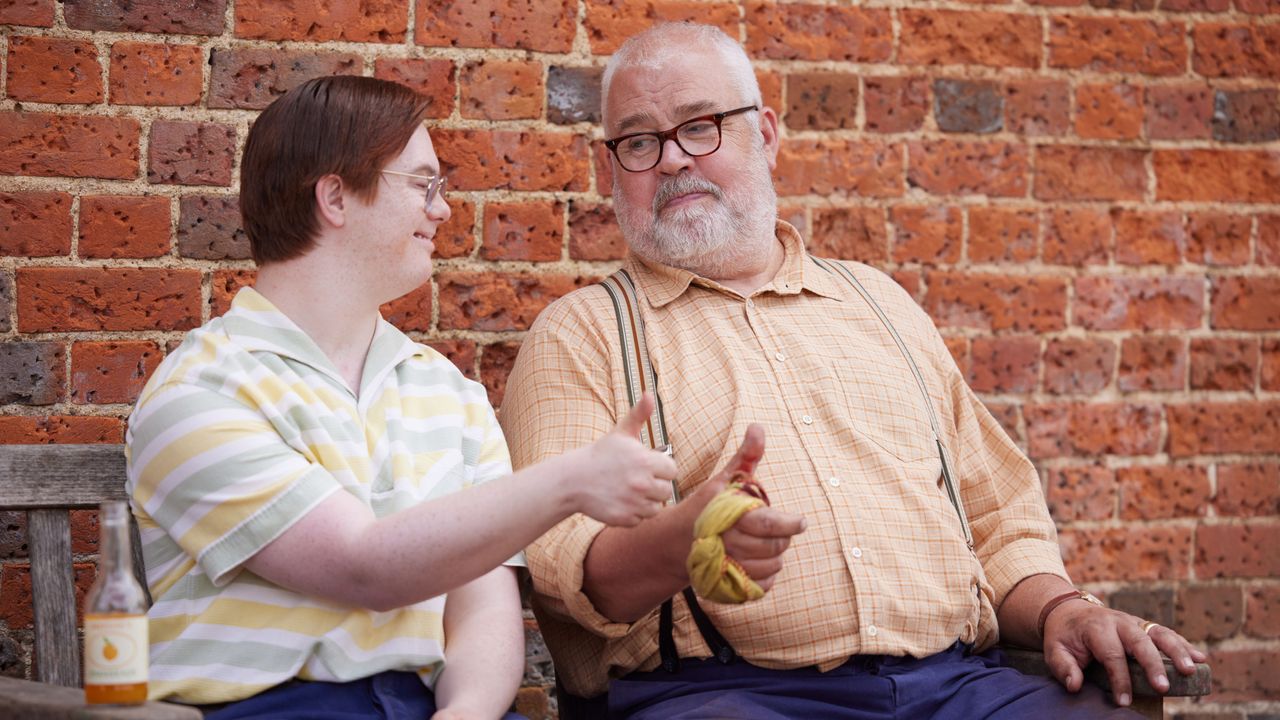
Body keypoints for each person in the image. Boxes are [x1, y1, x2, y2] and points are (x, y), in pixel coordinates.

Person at [500, 23, 1208, 719]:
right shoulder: (582, 334)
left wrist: (1063, 607)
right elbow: (562, 575)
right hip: (721, 698)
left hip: (961, 688)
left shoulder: (882, 305)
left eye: (701, 125)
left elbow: (999, 519)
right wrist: (681, 543)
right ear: (611, 167)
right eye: (640, 140)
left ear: (767, 134)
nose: (675, 158)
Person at [124, 75, 676, 720]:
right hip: (272, 708)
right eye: (422, 184)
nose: (441, 209)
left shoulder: (447, 392)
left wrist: (464, 714)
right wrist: (569, 483)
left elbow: (483, 609)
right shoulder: (199, 391)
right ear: (334, 195)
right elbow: (364, 566)